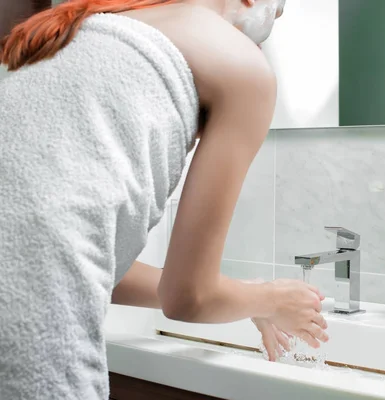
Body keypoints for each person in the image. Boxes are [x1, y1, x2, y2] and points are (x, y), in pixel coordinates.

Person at [0, 1, 329, 399]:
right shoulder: (244, 70)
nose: (276, 19)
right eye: (277, 10)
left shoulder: (80, 30)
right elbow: (189, 299)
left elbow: (73, 252)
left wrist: (243, 295)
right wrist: (271, 299)